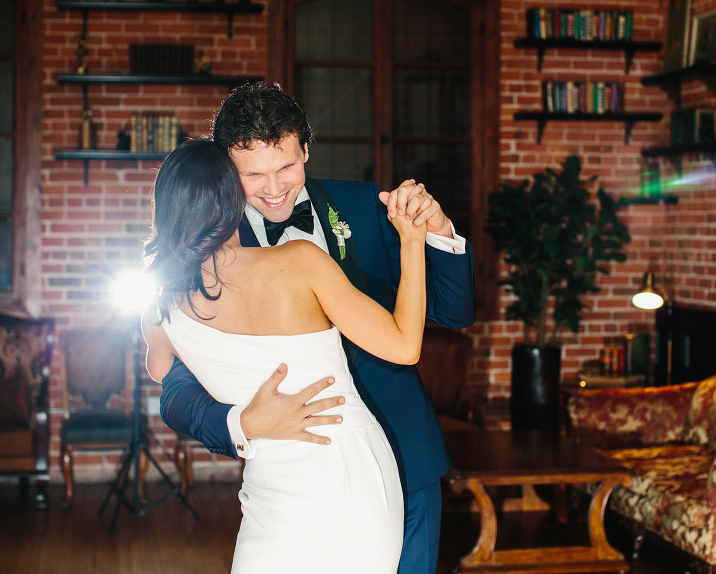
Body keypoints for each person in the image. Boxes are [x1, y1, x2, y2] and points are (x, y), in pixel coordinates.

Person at [158, 82, 477, 574]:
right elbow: (176, 382)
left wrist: (436, 231)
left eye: (286, 166)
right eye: (253, 175)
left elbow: (453, 312)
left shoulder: (367, 205)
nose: (273, 188)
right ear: (225, 170)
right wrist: (239, 423)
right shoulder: (209, 248)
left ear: (306, 148)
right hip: (298, 481)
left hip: (407, 457)